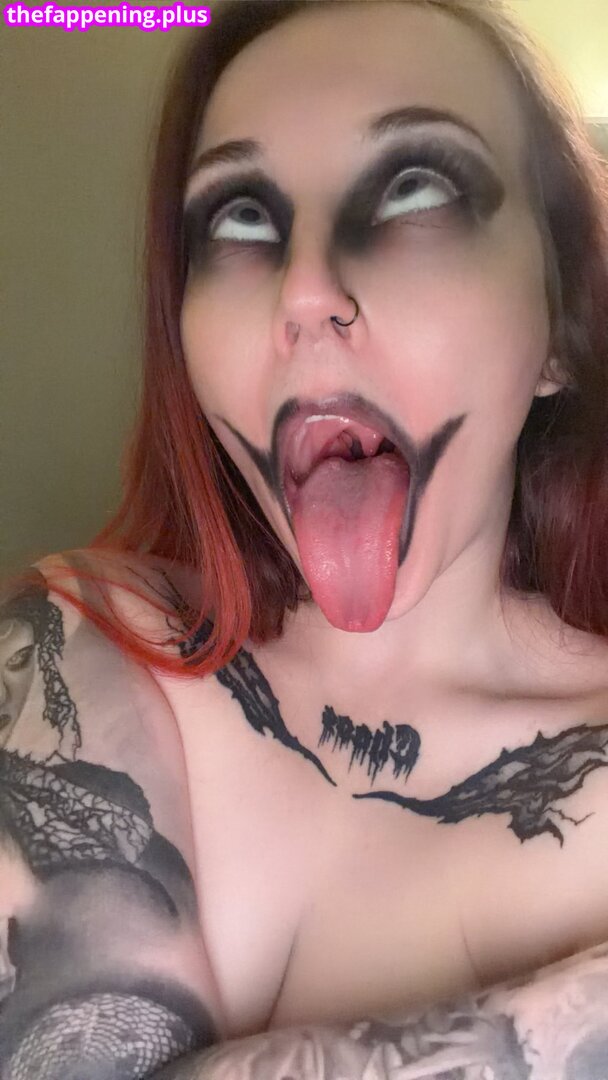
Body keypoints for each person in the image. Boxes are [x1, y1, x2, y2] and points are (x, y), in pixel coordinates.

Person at [1, 0, 608, 1076]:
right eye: (237, 218)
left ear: (559, 327)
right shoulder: (80, 642)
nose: (306, 289)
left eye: (416, 188)